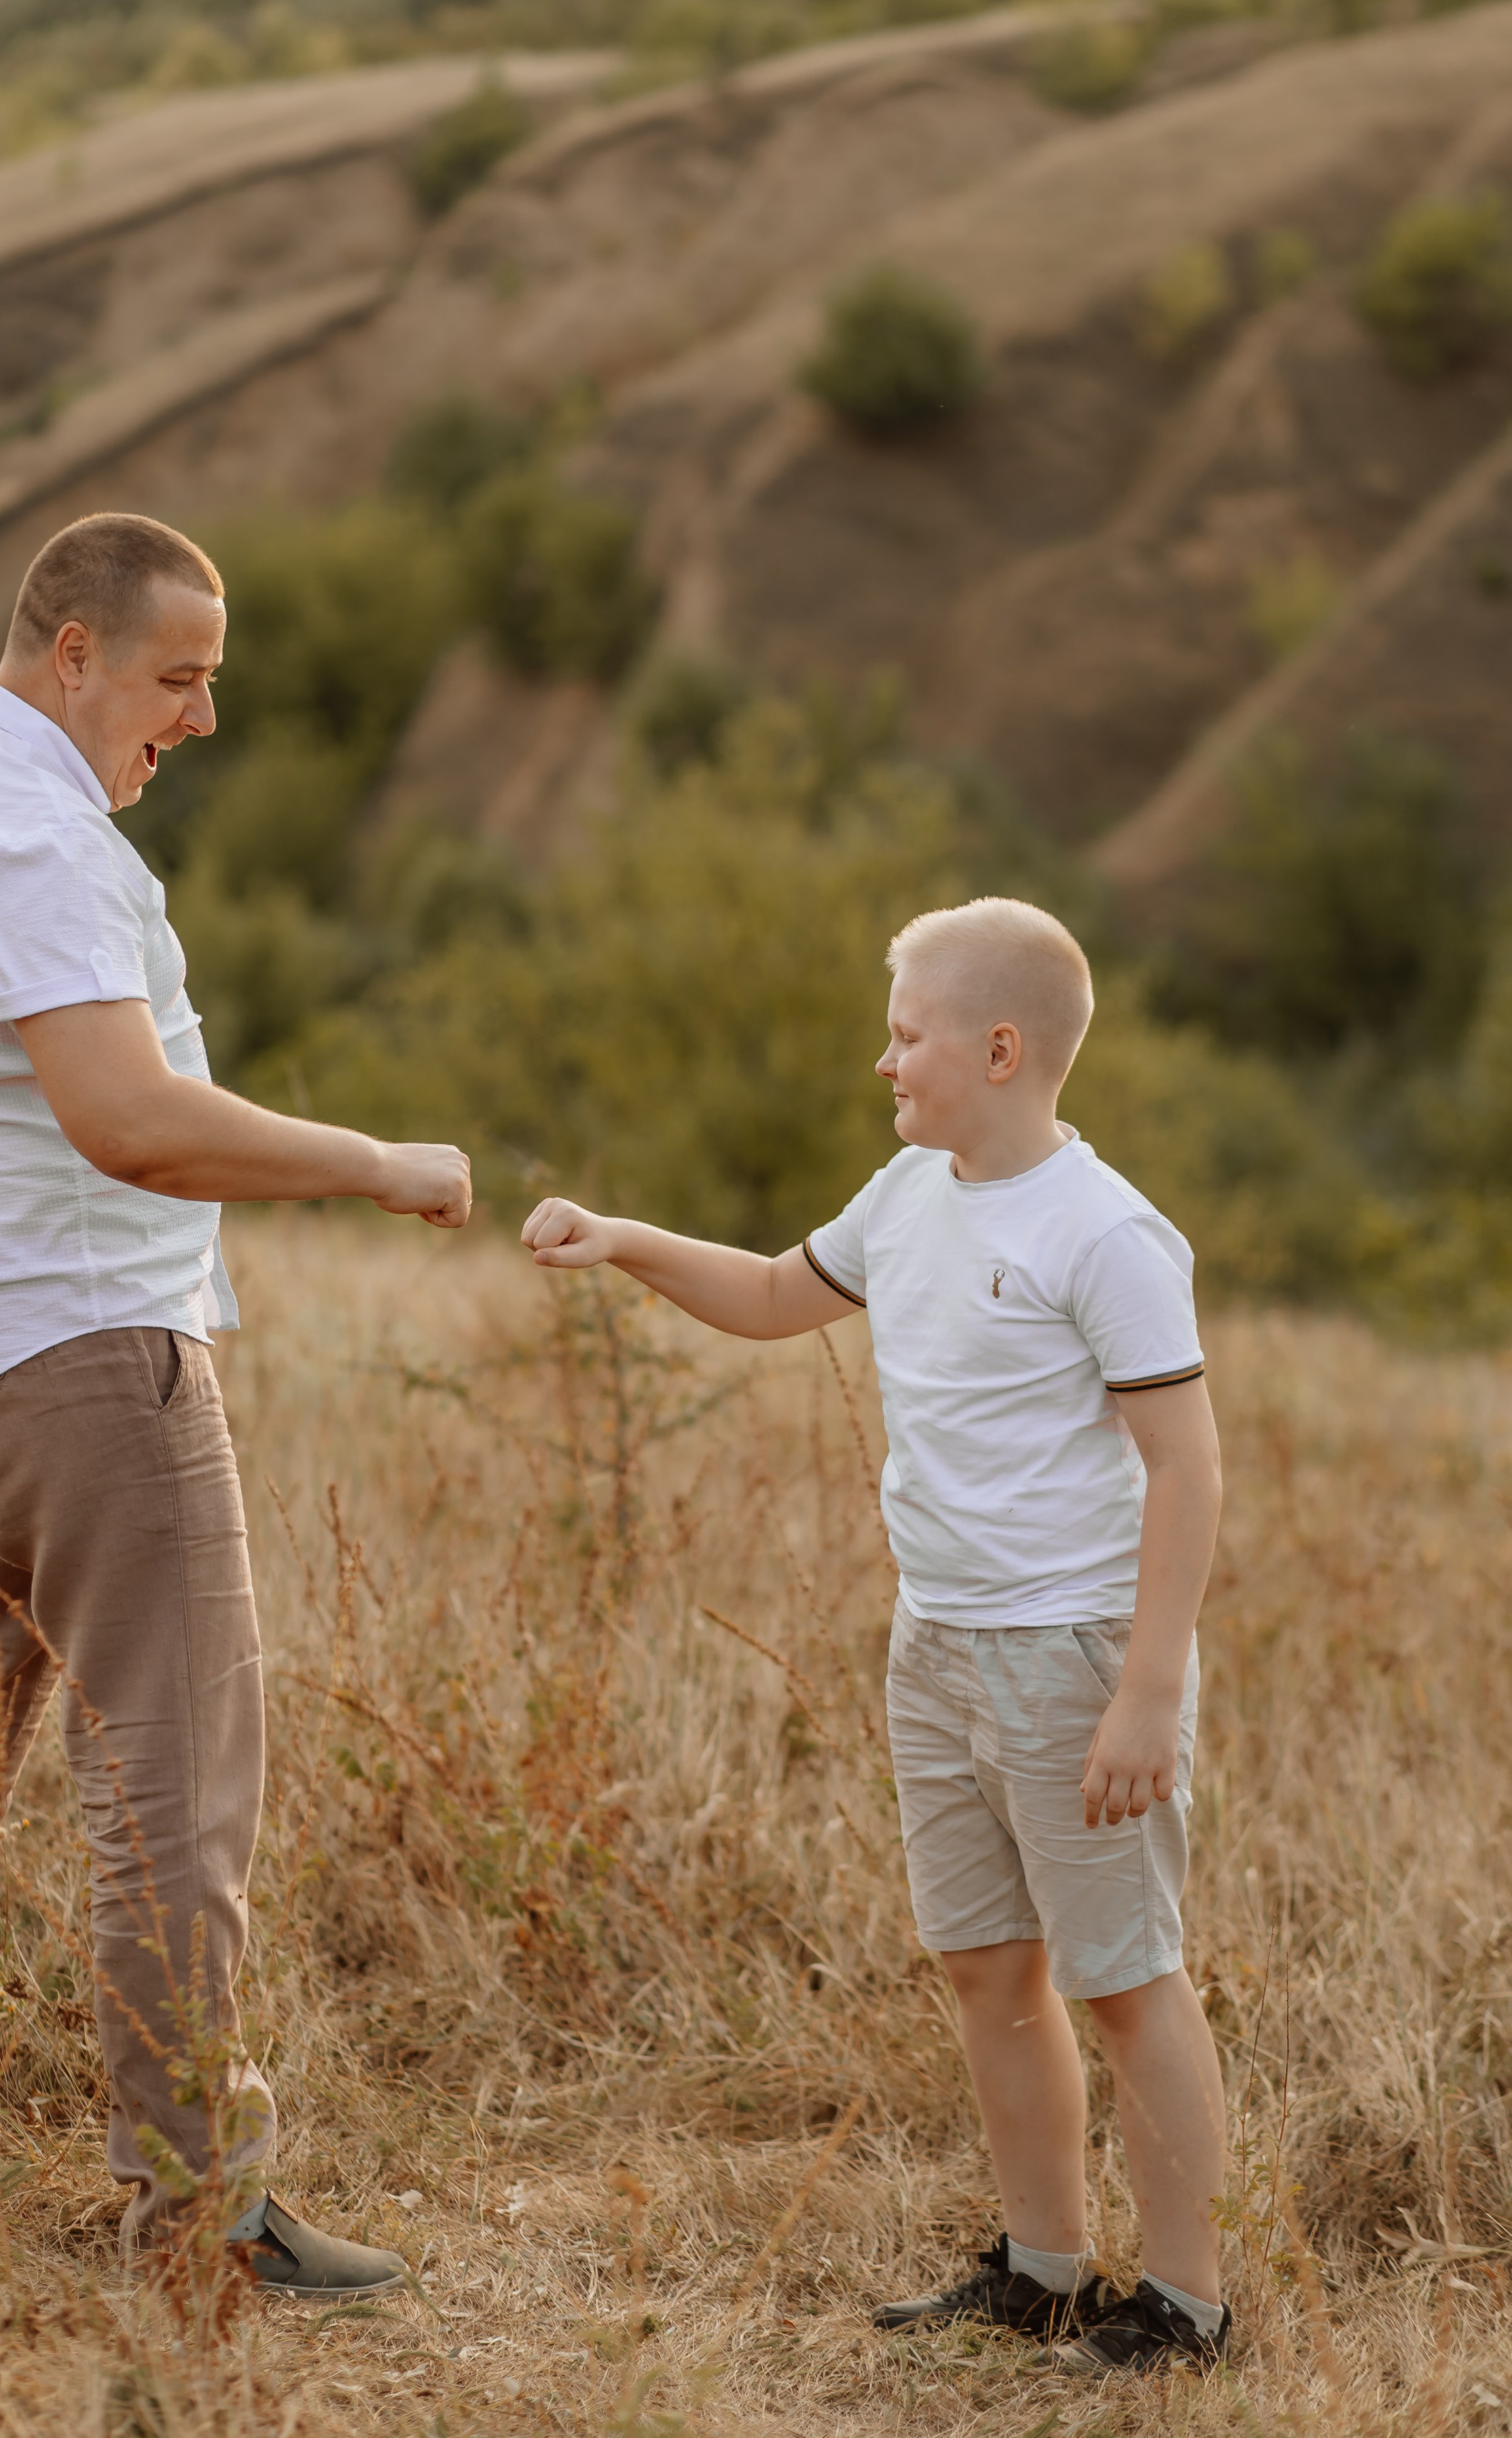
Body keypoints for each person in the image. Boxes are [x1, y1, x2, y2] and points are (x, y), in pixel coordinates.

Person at [0, 510, 472, 2298]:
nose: (203, 720)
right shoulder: (29, 834)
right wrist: (378, 1162)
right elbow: (129, 1119)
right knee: (176, 1783)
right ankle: (205, 2221)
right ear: (69, 651)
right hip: (87, 1366)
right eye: (181, 679)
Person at [520, 897, 1231, 2377]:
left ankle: (1182, 2303)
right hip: (938, 1645)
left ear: (996, 1047)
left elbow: (1187, 1467)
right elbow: (783, 1298)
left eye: (902, 1035)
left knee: (1119, 1978)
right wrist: (628, 1240)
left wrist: (1146, 1695)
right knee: (986, 1968)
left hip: (1073, 1658)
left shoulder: (1104, 1232)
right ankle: (1041, 2268)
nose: (881, 1062)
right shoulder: (908, 1192)